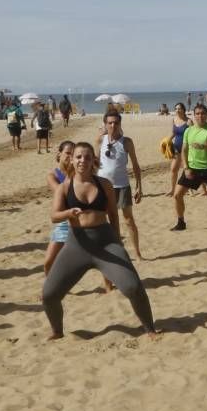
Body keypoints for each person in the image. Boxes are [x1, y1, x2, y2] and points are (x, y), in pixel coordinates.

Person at [43, 142, 160, 341]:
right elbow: (54, 216)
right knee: (49, 295)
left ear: (93, 161)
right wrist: (68, 212)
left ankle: (149, 328)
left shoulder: (103, 184)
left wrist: (118, 243)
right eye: (78, 157)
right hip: (76, 245)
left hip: (105, 242)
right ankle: (57, 331)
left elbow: (114, 216)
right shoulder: (64, 187)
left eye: (87, 157)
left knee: (132, 286)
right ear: (72, 160)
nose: (83, 161)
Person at [97, 110, 144, 260]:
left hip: (122, 185)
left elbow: (136, 166)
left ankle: (137, 253)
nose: (113, 125)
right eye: (110, 123)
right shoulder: (100, 140)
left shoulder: (126, 142)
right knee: (103, 220)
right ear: (105, 124)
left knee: (128, 219)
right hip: (103, 186)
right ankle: (111, 251)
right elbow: (95, 163)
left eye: (116, 122)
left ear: (120, 124)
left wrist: (139, 187)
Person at [45, 141, 75, 274]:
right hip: (63, 220)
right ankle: (50, 289)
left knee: (101, 255)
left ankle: (109, 286)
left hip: (80, 218)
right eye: (68, 153)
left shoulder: (78, 173)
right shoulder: (53, 175)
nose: (70, 157)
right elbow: (62, 194)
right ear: (60, 154)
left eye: (73, 154)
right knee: (48, 263)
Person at [168, 103, 190, 195]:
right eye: (176, 108)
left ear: (184, 110)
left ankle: (189, 189)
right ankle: (172, 189)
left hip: (186, 149)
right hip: (176, 148)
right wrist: (167, 140)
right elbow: (174, 133)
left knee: (187, 169)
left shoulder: (189, 121)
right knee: (173, 169)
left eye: (179, 108)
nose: (177, 110)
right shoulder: (174, 119)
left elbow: (192, 135)